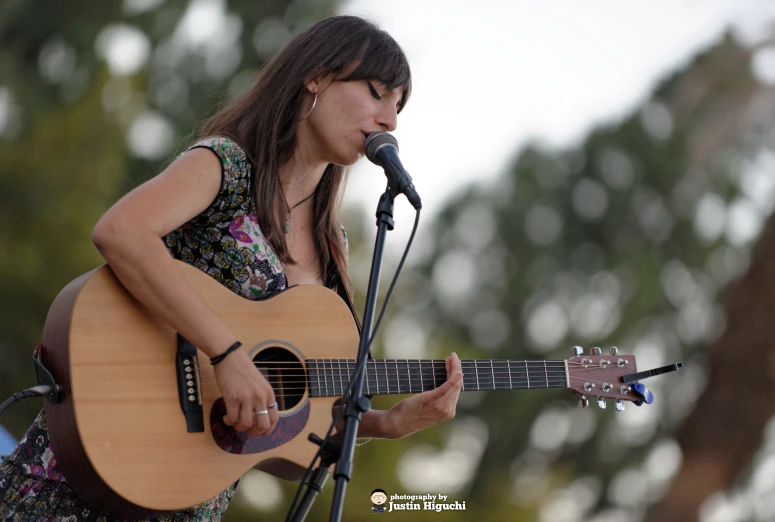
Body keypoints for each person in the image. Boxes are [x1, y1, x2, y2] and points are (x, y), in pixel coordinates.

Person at [0, 15, 463, 522]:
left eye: (399, 105)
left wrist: (383, 423)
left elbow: (291, 413)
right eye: (377, 92)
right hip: (97, 461)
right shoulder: (229, 166)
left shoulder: (333, 245)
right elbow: (122, 232)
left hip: (191, 498)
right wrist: (226, 352)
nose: (390, 120)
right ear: (316, 76)